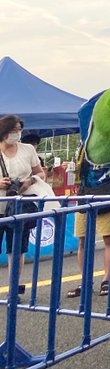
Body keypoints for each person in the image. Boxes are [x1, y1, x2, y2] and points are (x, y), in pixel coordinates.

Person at [69, 97, 110, 299]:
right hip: (85, 195)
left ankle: (107, 279)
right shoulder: (83, 140)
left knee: (108, 238)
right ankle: (85, 281)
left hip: (108, 193)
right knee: (83, 240)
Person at [0, 114, 54, 295]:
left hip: (20, 205)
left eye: (19, 130)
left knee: (17, 250)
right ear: (4, 131)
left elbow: (40, 173)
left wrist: (30, 180)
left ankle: (13, 289)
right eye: (13, 130)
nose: (17, 134)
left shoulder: (28, 149)